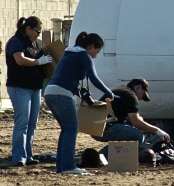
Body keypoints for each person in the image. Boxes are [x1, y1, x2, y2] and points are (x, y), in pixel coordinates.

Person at [43, 32, 115, 174]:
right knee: (72, 128)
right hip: (62, 93)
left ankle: (62, 166)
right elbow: (94, 78)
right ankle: (69, 167)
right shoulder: (84, 55)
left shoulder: (69, 52)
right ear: (91, 47)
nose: (95, 55)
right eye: (97, 51)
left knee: (66, 129)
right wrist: (109, 92)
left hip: (49, 91)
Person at [5, 16, 52, 167]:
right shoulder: (15, 42)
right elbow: (20, 60)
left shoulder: (36, 44)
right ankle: (18, 156)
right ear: (28, 29)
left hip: (34, 88)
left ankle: (28, 155)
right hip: (19, 87)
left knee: (32, 123)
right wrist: (39, 61)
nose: (38, 34)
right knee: (22, 122)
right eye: (37, 31)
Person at [93, 78, 171, 156]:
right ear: (138, 87)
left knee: (130, 133)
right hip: (103, 129)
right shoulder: (131, 96)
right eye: (143, 94)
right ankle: (101, 156)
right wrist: (157, 130)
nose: (140, 99)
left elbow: (133, 119)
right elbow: (136, 122)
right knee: (138, 137)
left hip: (95, 127)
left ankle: (105, 156)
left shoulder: (122, 90)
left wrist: (140, 122)